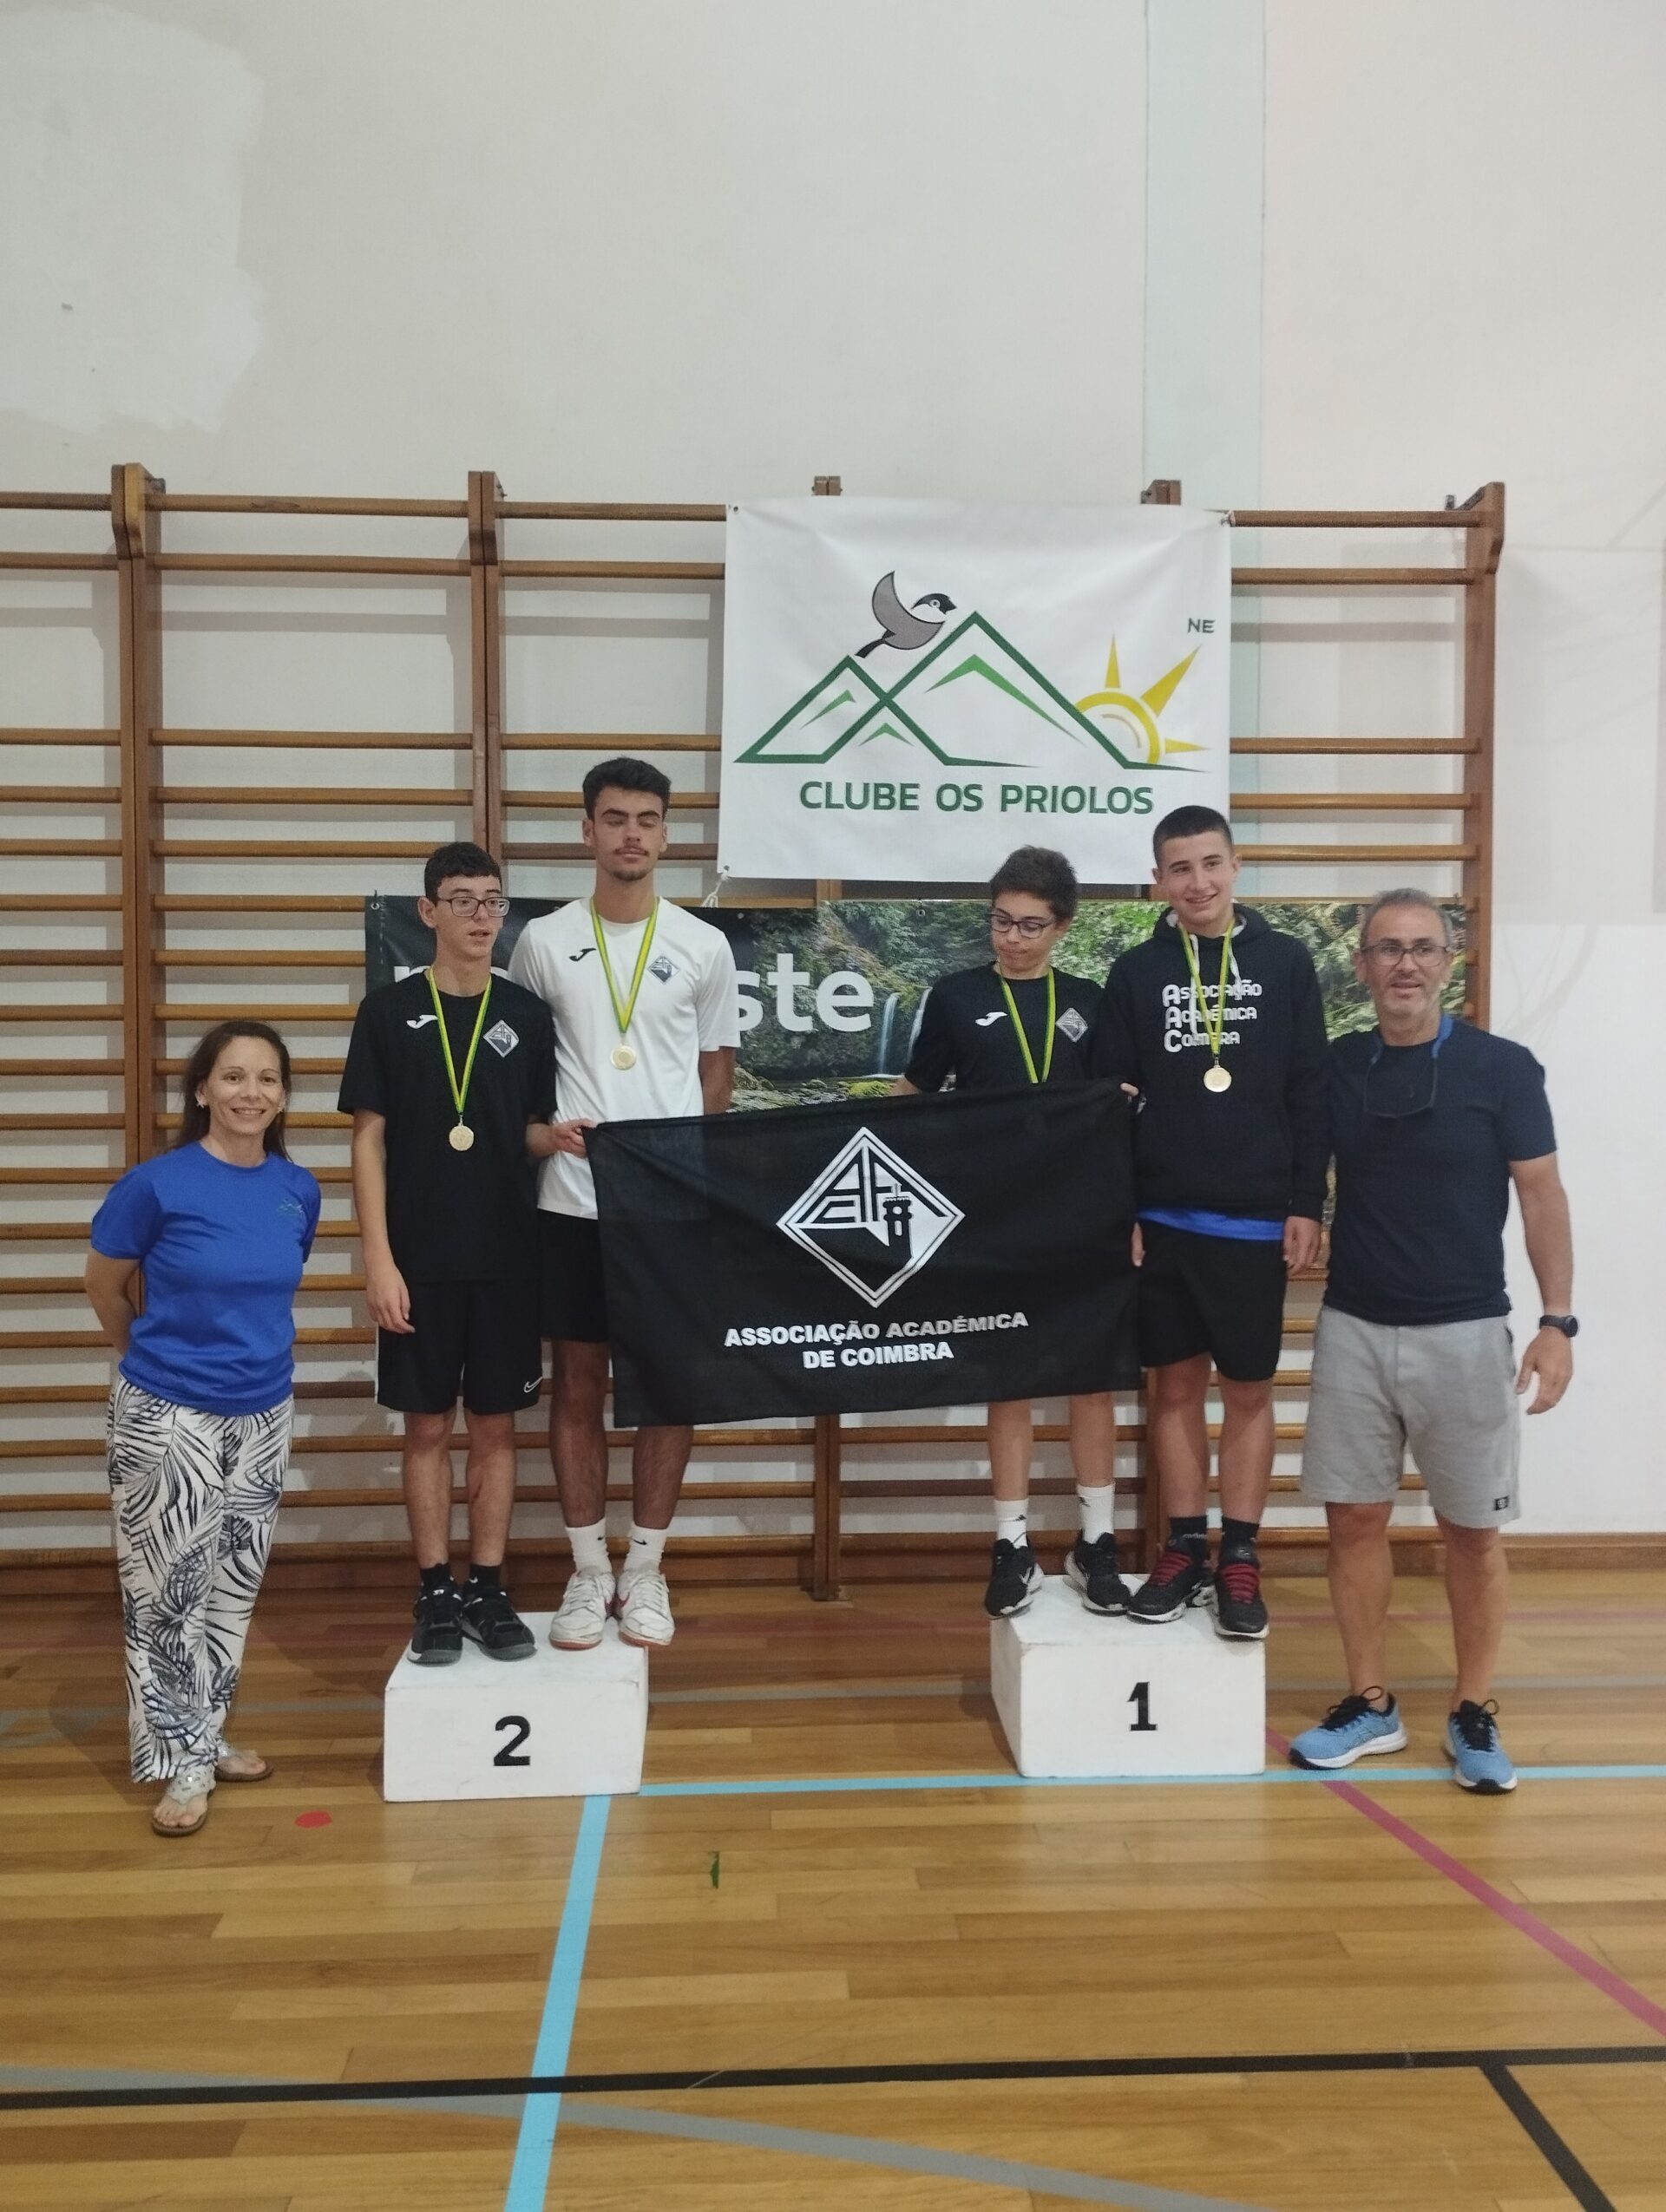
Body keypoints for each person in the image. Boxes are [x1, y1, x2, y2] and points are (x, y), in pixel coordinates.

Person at [1289, 891, 1574, 1793]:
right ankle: (1370, 1703)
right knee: (1353, 1523)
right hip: (1354, 1329)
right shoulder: (1338, 1068)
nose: (1404, 964)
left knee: (1473, 1533)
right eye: (1387, 949)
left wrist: (1558, 1323)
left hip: (1466, 1332)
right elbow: (1297, 1168)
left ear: (1449, 962)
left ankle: (1473, 1709)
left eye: (1421, 948)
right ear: (1362, 966)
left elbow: (1541, 1195)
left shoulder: (1503, 1069)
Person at [509, 757, 738, 1651]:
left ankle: (644, 1569)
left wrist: (677, 1168)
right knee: (576, 1384)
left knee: (667, 1390)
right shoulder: (543, 941)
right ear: (588, 832)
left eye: (646, 819)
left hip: (669, 1210)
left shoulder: (703, 946)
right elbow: (522, 1073)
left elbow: (715, 1076)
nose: (631, 834)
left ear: (667, 834)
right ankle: (587, 1571)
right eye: (615, 819)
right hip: (570, 1201)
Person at [1090, 804, 1328, 1639]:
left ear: (1236, 866)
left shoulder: (1286, 961)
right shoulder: (1136, 971)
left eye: (1211, 864)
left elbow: (1310, 1090)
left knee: (1251, 1390)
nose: (1198, 882)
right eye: (1181, 868)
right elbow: (1110, 1103)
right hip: (1163, 1217)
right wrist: (1121, 1208)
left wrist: (1306, 1202)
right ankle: (1186, 1545)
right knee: (1176, 1389)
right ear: (1158, 879)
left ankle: (1240, 1554)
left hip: (1256, 1218)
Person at [84, 1022, 320, 1837]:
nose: (251, 1092)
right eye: (233, 1076)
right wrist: (149, 1367)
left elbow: (267, 1286)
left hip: (265, 1412)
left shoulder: (298, 1188)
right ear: (202, 1090)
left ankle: (207, 1734)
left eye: (267, 1078)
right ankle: (180, 1760)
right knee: (166, 1597)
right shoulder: (156, 1185)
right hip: (167, 1413)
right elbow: (105, 1286)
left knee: (228, 1589)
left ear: (282, 1095)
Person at [895, 846, 1125, 1619]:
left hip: (1081, 1216)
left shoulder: (1089, 1001)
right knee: (1009, 1378)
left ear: (1062, 927)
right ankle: (1012, 1545)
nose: (1012, 939)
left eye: (1030, 925)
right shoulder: (957, 997)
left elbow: (1118, 1110)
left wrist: (1130, 1212)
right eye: (1001, 921)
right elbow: (913, 1094)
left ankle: (1096, 1541)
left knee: (1091, 1379)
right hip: (991, 1219)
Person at [340, 841, 556, 1666]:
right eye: (461, 900)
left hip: (508, 1256)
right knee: (427, 1425)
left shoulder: (526, 1015)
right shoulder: (387, 1012)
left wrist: (562, 1139)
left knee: (496, 1426)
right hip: (419, 1261)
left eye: (492, 901)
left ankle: (488, 1587)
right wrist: (378, 1260)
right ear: (428, 912)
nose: (480, 916)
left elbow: (525, 1132)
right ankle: (434, 1589)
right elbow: (368, 1141)